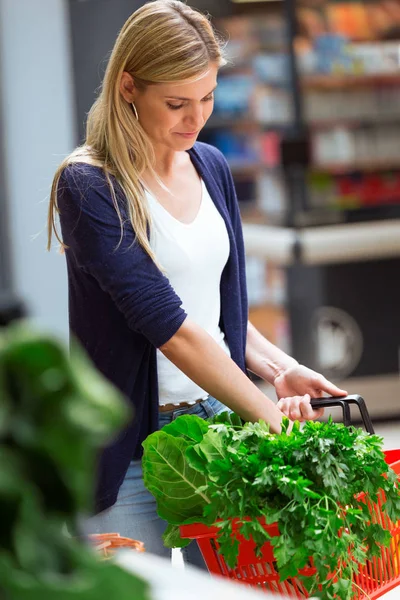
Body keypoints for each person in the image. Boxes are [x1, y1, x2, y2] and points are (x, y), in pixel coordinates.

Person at [47, 0, 347, 570]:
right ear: (128, 88)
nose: (196, 118)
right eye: (177, 103)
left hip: (216, 428)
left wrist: (280, 370)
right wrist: (271, 416)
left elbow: (216, 312)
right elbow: (173, 329)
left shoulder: (209, 165)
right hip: (127, 452)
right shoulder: (89, 186)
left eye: (206, 98)